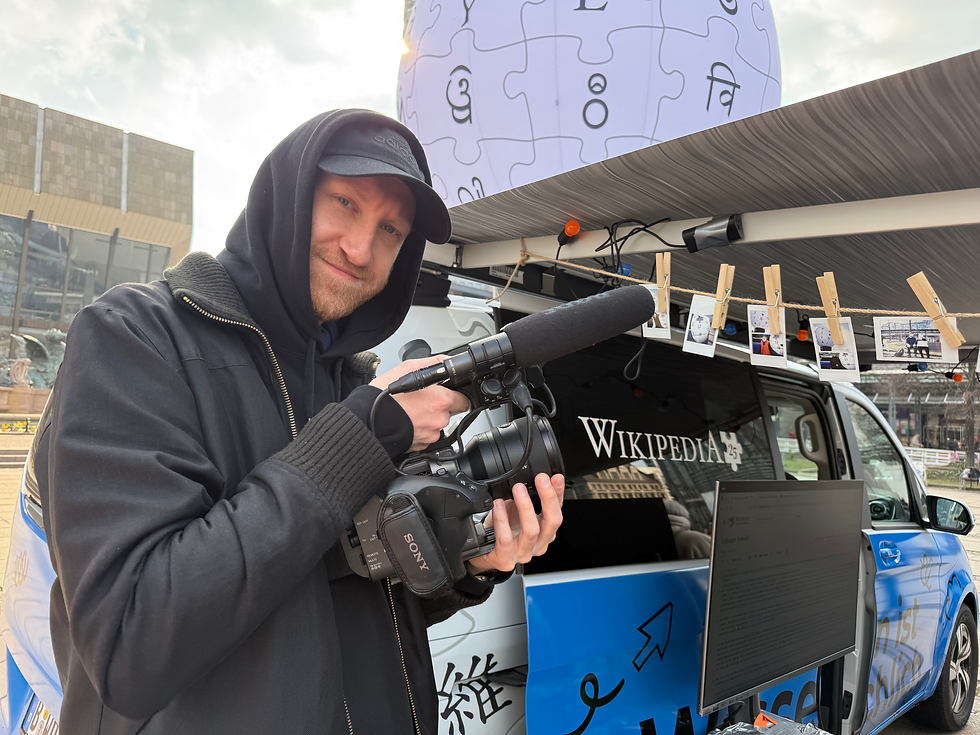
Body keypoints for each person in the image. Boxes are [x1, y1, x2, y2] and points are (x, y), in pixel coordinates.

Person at [36, 110, 565, 734]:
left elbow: (340, 600)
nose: (361, 248)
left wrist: (473, 566)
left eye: (391, 230)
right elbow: (131, 644)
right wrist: (361, 436)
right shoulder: (135, 337)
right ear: (287, 195)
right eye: (344, 201)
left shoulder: (352, 383)